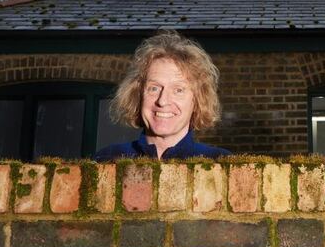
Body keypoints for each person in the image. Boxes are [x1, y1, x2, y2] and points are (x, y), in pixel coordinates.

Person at [94, 30, 230, 161]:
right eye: (154, 88)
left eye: (178, 90)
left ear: (197, 101)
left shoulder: (221, 163)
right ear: (138, 95)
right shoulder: (106, 159)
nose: (163, 101)